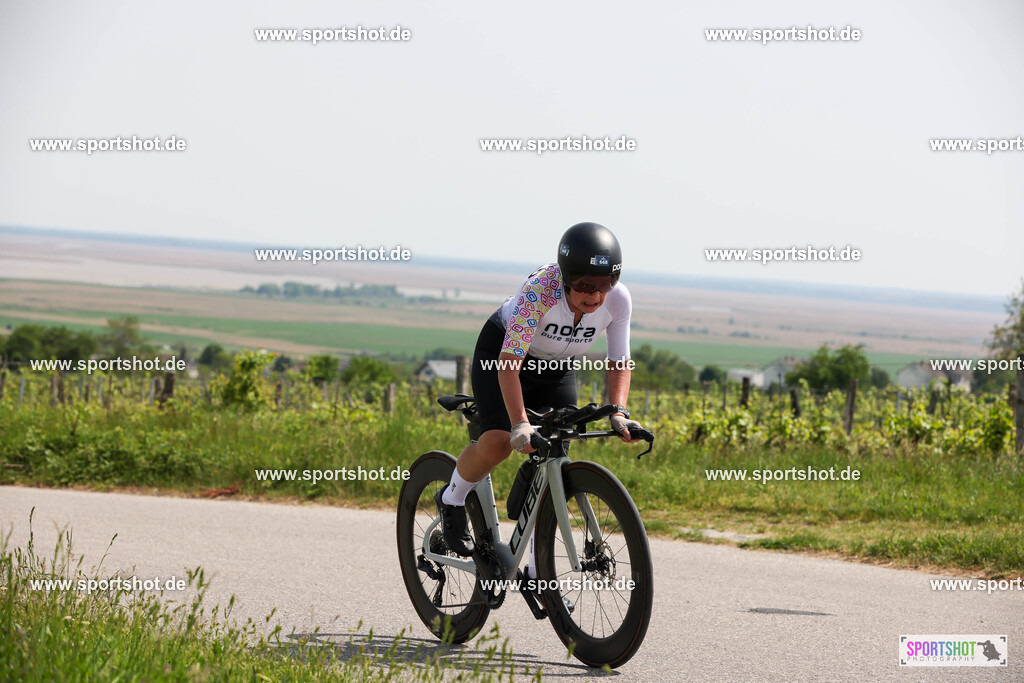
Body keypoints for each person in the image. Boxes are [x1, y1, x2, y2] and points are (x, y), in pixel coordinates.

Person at [435, 222, 643, 574]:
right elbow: (508, 366)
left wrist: (619, 413)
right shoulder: (540, 292)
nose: (595, 295)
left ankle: (536, 569)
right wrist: (519, 424)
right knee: (498, 442)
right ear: (566, 278)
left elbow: (619, 360)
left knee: (555, 451)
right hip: (503, 357)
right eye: (584, 285)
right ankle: (452, 498)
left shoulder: (619, 299)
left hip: (556, 368)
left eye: (604, 284)